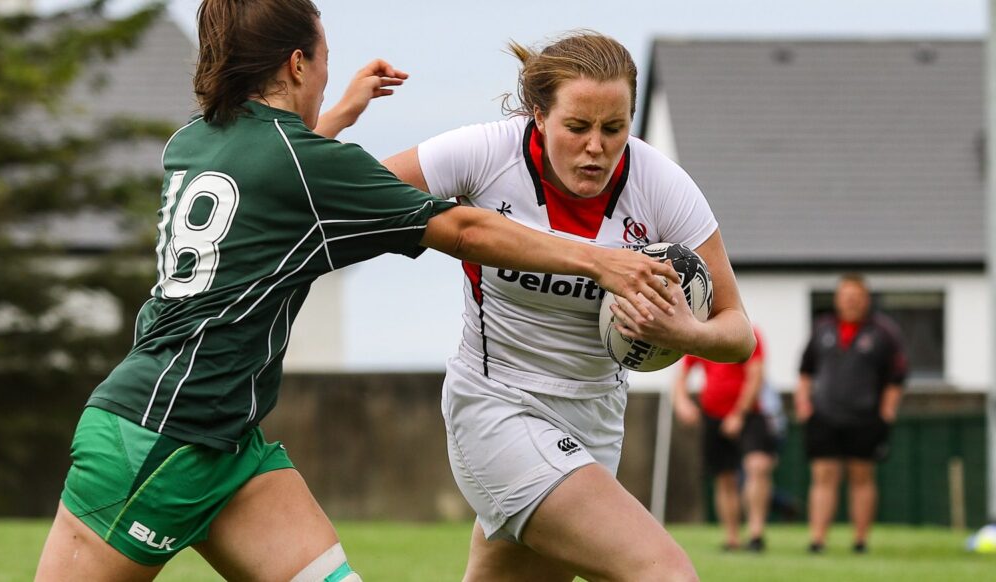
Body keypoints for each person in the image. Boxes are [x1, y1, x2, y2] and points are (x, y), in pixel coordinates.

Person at [33, 3, 684, 581]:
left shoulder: (197, 142)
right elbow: (458, 225)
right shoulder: (304, 165)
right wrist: (602, 263)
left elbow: (280, 168)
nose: (323, 76)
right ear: (296, 64)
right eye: (322, 61)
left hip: (231, 449)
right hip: (154, 440)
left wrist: (339, 112)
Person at [383, 31, 755, 582]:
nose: (596, 147)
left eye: (615, 128)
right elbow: (366, 195)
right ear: (538, 115)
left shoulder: (661, 185)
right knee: (664, 572)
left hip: (597, 420)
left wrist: (684, 331)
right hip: (497, 407)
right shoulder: (487, 152)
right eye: (577, 127)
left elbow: (738, 332)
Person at [795, 273, 907, 554]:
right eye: (846, 297)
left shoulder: (883, 332)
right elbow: (805, 371)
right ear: (837, 300)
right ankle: (818, 540)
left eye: (856, 297)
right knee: (823, 476)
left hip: (865, 418)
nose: (851, 302)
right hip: (824, 415)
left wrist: (887, 412)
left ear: (866, 300)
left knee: (862, 477)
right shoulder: (822, 329)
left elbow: (898, 376)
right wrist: (804, 405)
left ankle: (860, 540)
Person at [672, 326, 776, 552]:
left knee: (757, 467)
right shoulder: (700, 337)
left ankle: (756, 534)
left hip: (749, 415)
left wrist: (739, 413)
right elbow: (681, 377)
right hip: (713, 417)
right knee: (724, 478)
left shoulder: (748, 334)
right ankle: (732, 538)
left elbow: (756, 375)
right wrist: (682, 402)